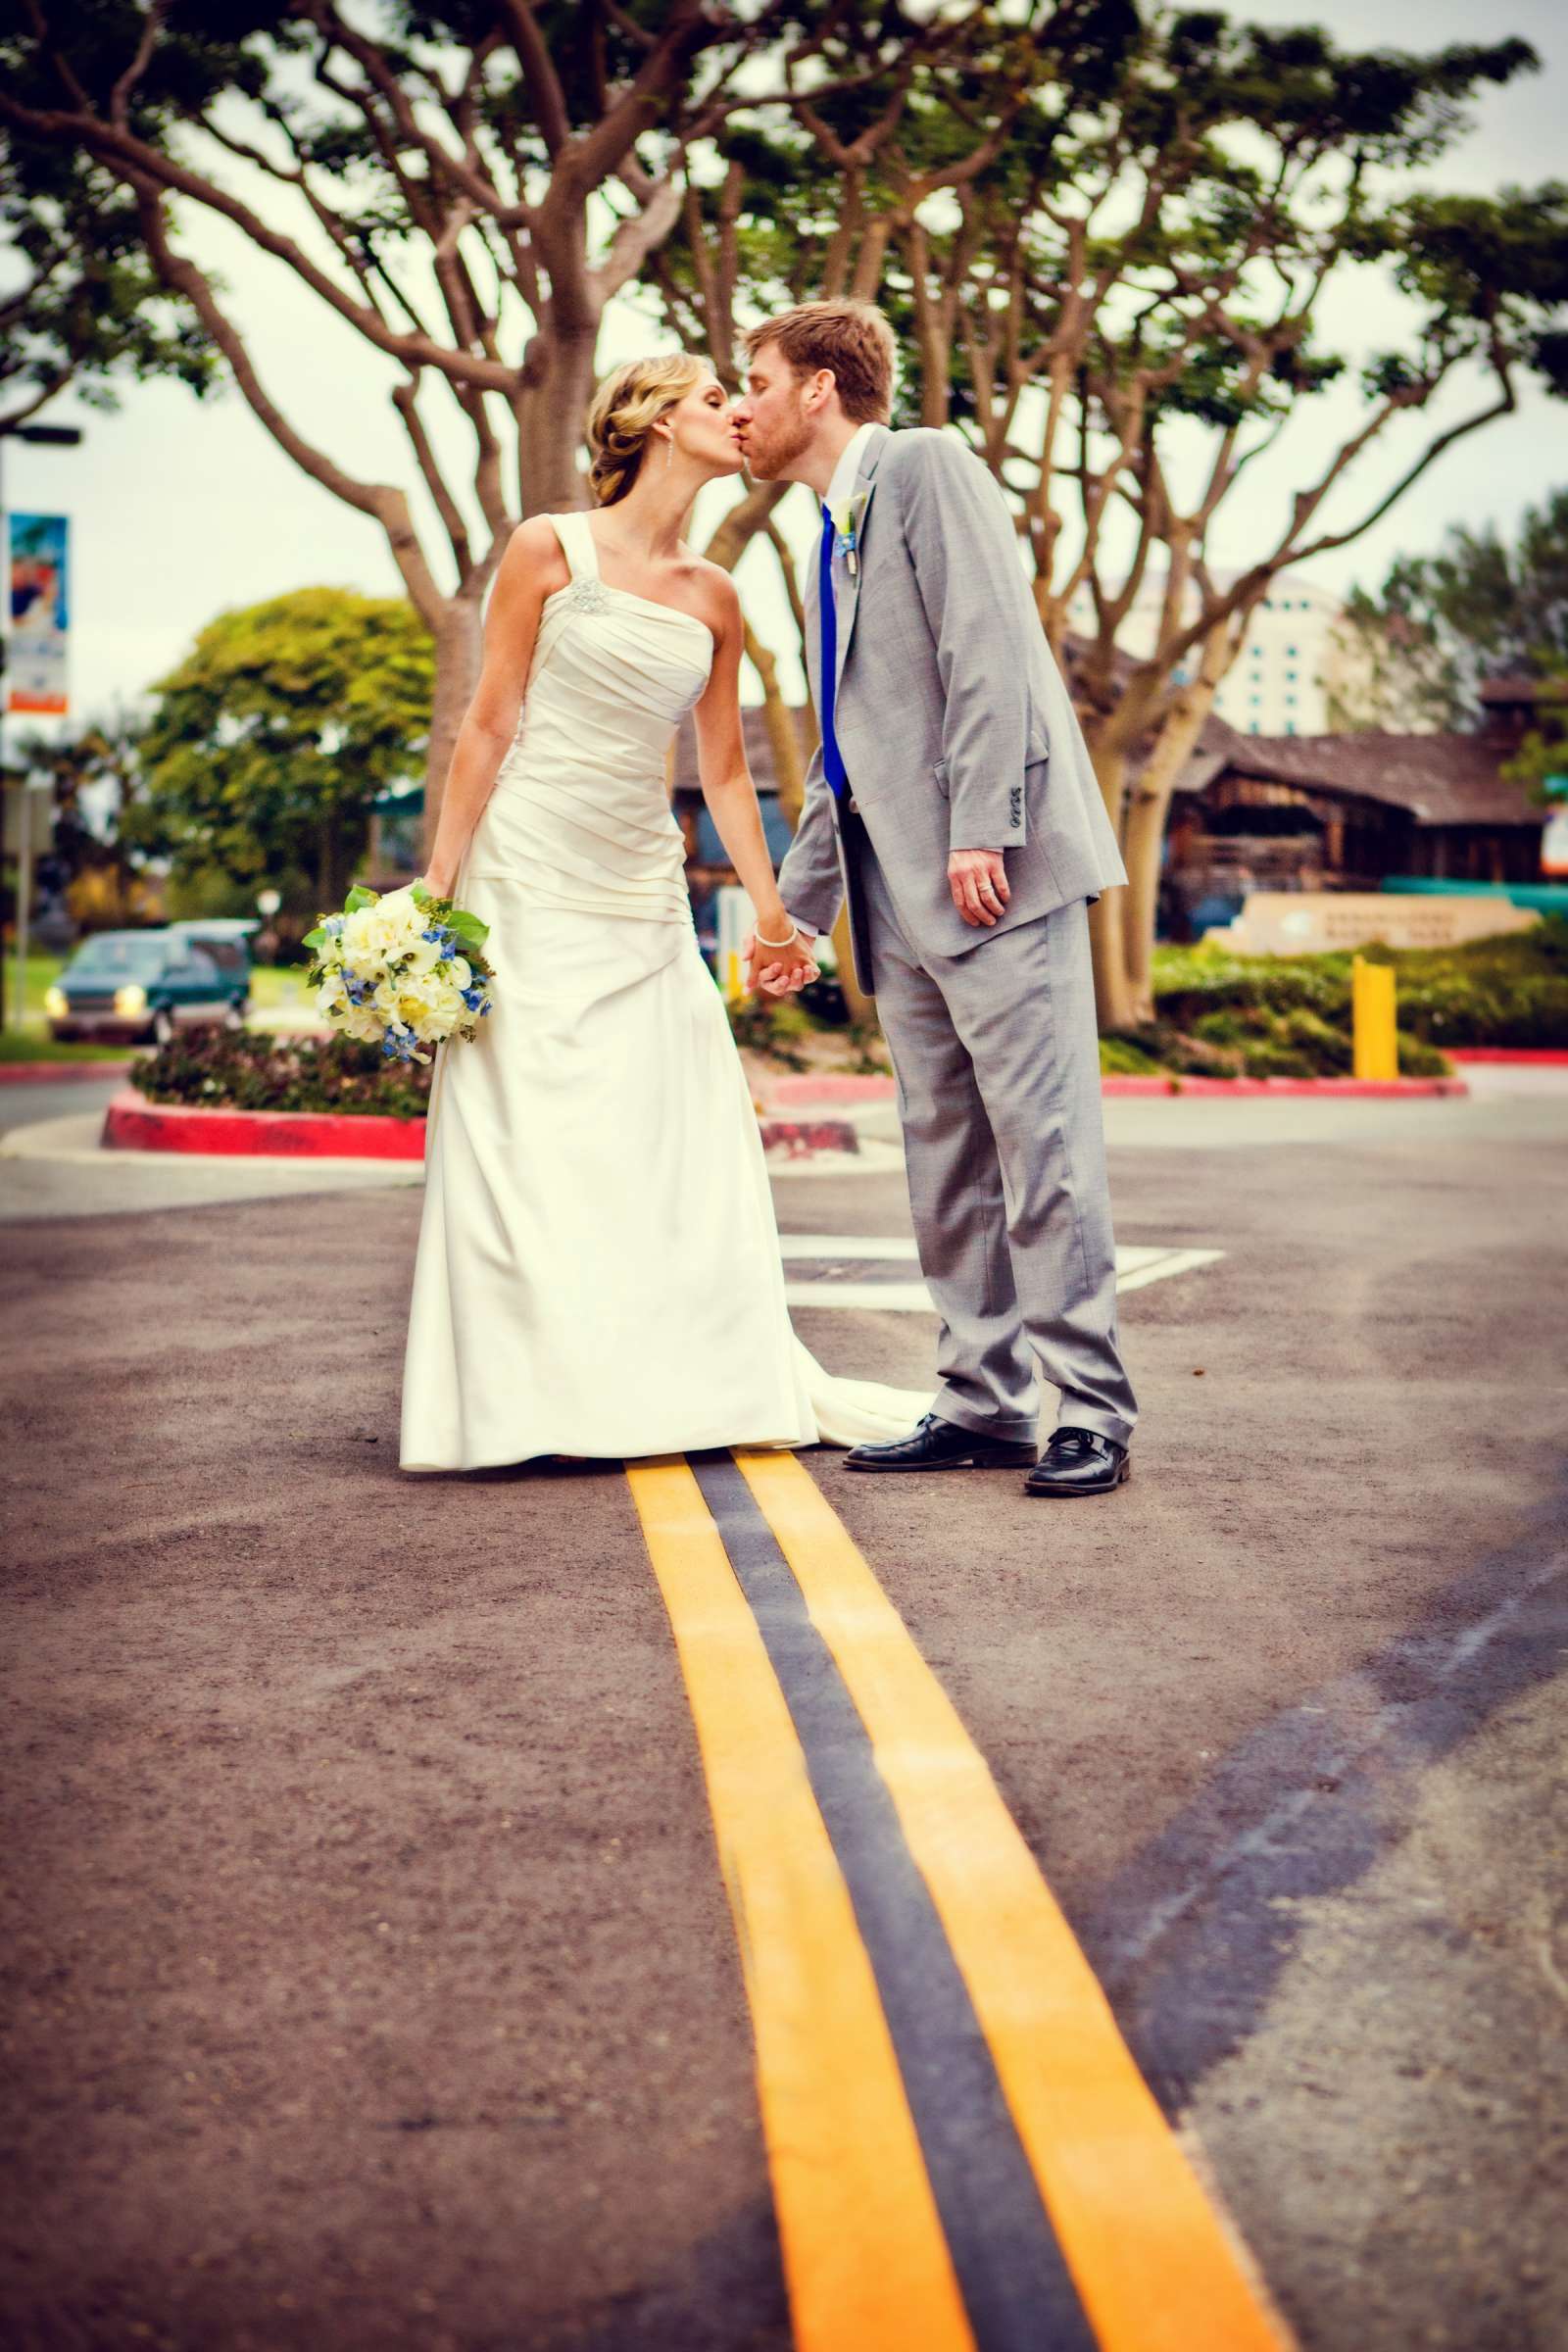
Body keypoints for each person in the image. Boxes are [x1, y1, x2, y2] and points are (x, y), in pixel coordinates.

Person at [398, 354, 929, 1473]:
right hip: (528, 871)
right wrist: (437, 884)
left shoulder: (715, 597)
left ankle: (673, 1381)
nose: (738, 413)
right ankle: (523, 1400)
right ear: (648, 421)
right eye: (710, 399)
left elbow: (727, 776)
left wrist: (778, 919)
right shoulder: (548, 547)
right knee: (524, 1134)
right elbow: (487, 726)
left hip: (640, 889)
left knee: (668, 1133)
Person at [733, 300, 1139, 1497]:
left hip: (990, 877)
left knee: (1042, 1146)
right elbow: (847, 752)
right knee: (944, 1157)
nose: (738, 405)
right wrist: (801, 909)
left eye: (751, 379)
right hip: (897, 900)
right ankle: (983, 1401)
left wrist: (982, 829)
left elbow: (990, 652)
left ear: (819, 388)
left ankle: (1091, 1412)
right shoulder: (824, 534)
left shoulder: (923, 463)